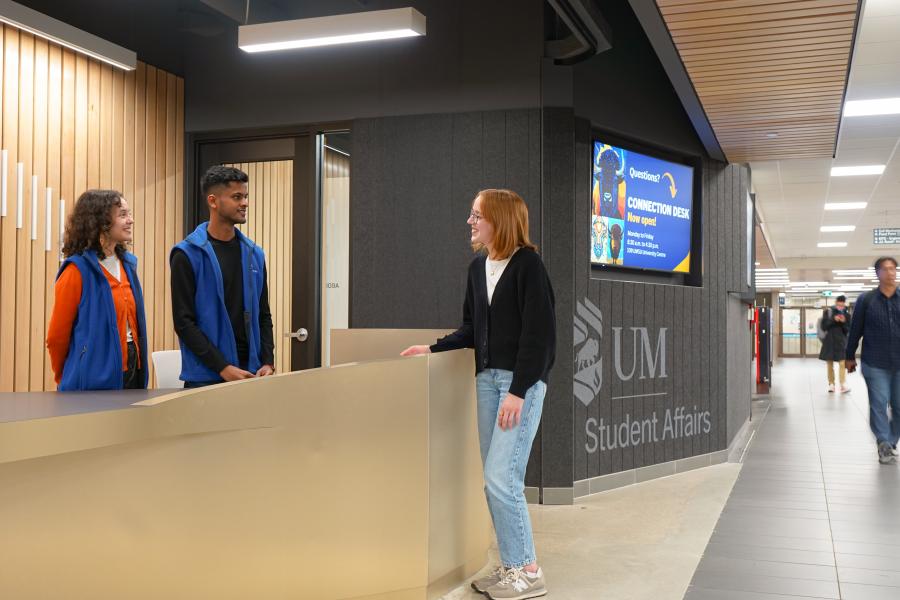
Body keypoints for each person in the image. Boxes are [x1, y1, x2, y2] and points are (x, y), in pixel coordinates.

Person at [401, 189, 555, 600]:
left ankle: (529, 570)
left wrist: (518, 391)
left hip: (518, 386)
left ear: (499, 220)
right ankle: (510, 567)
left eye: (476, 215)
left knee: (502, 479)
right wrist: (432, 349)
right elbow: (472, 329)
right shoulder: (477, 268)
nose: (470, 222)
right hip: (486, 382)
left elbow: (539, 338)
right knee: (494, 483)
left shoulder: (529, 266)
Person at [170, 165, 274, 388]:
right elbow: (184, 323)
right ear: (213, 201)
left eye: (245, 196)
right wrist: (222, 367)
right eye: (237, 197)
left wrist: (268, 361)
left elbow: (263, 314)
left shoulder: (254, 253)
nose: (245, 203)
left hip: (251, 375)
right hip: (206, 378)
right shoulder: (186, 254)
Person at [47, 189, 148, 390]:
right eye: (123, 215)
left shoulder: (128, 265)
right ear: (101, 223)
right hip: (93, 382)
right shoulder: (76, 271)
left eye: (129, 213)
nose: (131, 220)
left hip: (132, 375)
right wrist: (71, 373)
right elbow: (56, 338)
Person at [846, 256, 900, 464]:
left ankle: (891, 440)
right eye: (886, 269)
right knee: (878, 403)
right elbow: (855, 329)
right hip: (874, 362)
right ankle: (883, 443)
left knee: (898, 405)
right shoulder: (866, 300)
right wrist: (849, 356)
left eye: (894, 269)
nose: (891, 273)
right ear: (877, 273)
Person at [818, 294, 851, 393]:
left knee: (842, 363)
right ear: (836, 303)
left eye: (842, 306)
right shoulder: (828, 312)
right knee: (829, 363)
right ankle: (831, 384)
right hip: (830, 341)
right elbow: (824, 327)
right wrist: (834, 320)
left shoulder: (847, 315)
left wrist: (843, 322)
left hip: (841, 342)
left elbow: (848, 330)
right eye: (839, 305)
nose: (840, 307)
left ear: (844, 305)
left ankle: (842, 384)